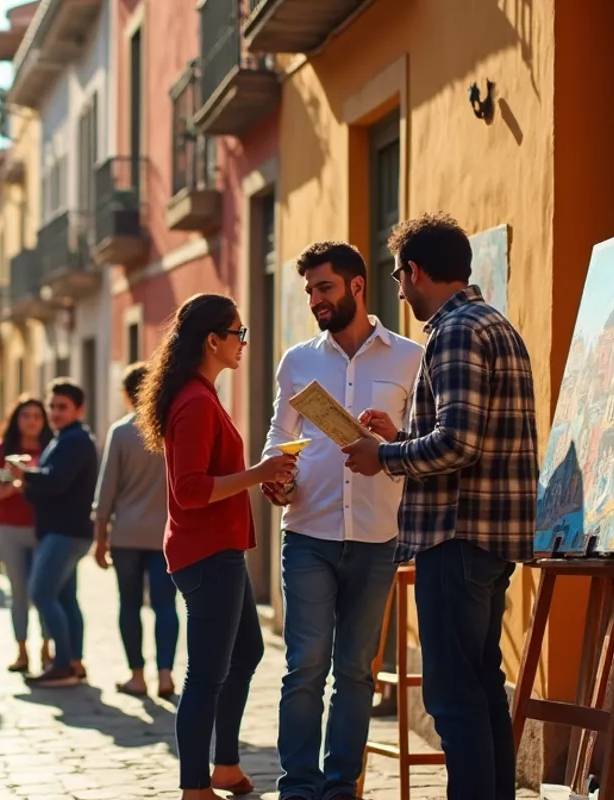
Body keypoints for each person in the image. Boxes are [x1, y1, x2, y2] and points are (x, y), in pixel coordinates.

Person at [343, 213, 538, 800]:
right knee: (480, 688)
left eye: (399, 279)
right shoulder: (494, 323)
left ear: (415, 271)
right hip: (488, 535)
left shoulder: (454, 332)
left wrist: (385, 456)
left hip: (457, 536)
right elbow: (471, 435)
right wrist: (399, 436)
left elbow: (459, 442)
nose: (399, 293)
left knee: (453, 697)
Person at [262, 242, 422, 800]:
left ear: (357, 286)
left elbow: (423, 445)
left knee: (355, 672)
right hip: (308, 531)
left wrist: (394, 441)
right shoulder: (297, 362)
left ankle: (339, 788)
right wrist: (277, 476)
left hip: (378, 536)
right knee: (304, 666)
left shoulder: (410, 358)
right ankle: (299, 787)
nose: (314, 300)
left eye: (324, 288)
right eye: (309, 290)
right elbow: (280, 439)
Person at [137, 293, 298, 799]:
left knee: (247, 651)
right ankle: (194, 786)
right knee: (205, 674)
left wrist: (258, 478)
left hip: (219, 550)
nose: (243, 342)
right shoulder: (194, 402)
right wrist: (258, 474)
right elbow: (190, 491)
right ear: (213, 340)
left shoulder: (202, 396)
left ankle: (225, 766)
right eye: (238, 333)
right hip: (205, 554)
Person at [93, 362, 177, 699]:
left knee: (129, 605)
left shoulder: (122, 431)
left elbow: (106, 491)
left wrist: (100, 539)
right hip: (166, 534)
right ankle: (167, 675)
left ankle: (137, 676)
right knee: (165, 606)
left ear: (128, 394)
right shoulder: (172, 429)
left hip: (126, 535)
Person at [7, 379, 98, 689]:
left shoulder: (74, 440)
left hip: (65, 531)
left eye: (63, 407)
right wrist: (31, 479)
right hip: (65, 530)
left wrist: (25, 475)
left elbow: (56, 482)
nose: (55, 413)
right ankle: (74, 661)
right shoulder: (66, 438)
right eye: (52, 406)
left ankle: (62, 664)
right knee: (65, 597)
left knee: (41, 593)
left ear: (78, 409)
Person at [0, 396, 55, 674]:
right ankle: (22, 650)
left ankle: (48, 648)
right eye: (26, 415)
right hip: (8, 528)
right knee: (18, 592)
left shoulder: (52, 448)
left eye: (37, 415)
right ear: (16, 419)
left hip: (44, 529)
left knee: (45, 591)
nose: (32, 421)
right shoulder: (1, 448)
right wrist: (1, 490)